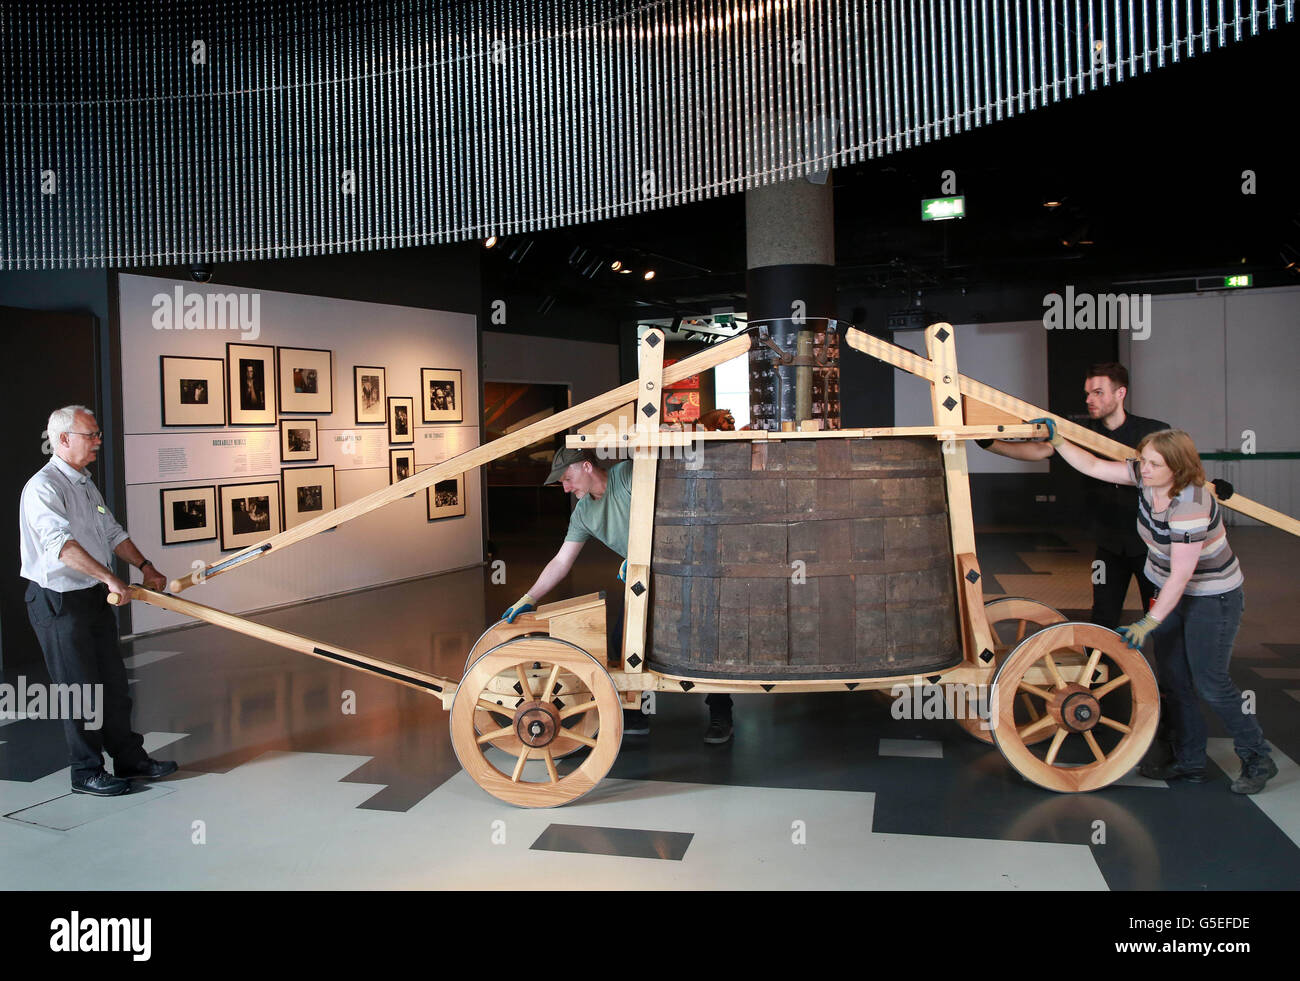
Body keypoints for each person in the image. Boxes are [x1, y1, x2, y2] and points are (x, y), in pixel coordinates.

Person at [1032, 420, 1276, 794]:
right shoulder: (1147, 480)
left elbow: (1182, 575)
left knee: (1210, 682)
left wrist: (1148, 621)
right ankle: (1190, 761)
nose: (1143, 469)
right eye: (1142, 460)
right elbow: (1094, 466)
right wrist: (1059, 440)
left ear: (1177, 469)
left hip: (1214, 596)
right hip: (1170, 590)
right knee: (1175, 679)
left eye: (1153, 464)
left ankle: (1257, 756)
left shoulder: (1190, 505)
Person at [502, 447, 735, 744]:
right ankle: (635, 714)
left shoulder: (624, 474)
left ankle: (721, 712)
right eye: (562, 483)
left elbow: (667, 508)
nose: (566, 488)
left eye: (568, 478)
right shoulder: (584, 512)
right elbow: (561, 562)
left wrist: (641, 551)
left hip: (685, 567)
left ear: (587, 467)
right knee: (622, 642)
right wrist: (528, 597)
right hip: (642, 580)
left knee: (700, 639)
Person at [20, 406, 179, 796]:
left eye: (97, 435)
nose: (97, 442)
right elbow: (61, 547)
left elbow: (110, 531)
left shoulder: (85, 483)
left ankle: (130, 759)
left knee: (113, 684)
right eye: (90, 435)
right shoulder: (44, 488)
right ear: (63, 440)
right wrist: (110, 577)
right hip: (57, 601)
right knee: (79, 690)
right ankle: (86, 772)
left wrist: (144, 565)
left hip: (91, 596)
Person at [978, 363, 1169, 628]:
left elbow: (1180, 466)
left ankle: (1167, 671)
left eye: (1098, 392)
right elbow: (1039, 451)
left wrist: (1216, 486)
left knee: (1161, 616)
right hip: (1110, 545)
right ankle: (1099, 668)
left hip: (1151, 544)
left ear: (1120, 393)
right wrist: (990, 443)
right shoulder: (1080, 432)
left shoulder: (1154, 433)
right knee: (1102, 617)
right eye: (1088, 393)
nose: (1089, 399)